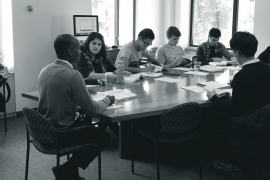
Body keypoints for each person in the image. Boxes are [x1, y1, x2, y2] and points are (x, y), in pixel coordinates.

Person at [37, 34, 115, 180]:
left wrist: (82, 89)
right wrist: (107, 99)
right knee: (103, 137)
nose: (80, 52)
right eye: (78, 49)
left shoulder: (45, 70)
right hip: (60, 134)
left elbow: (59, 91)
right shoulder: (74, 75)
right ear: (70, 52)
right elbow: (93, 110)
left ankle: (70, 172)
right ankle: (68, 169)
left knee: (86, 122)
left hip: (43, 130)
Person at [206, 31, 270, 179]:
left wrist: (213, 97)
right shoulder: (268, 68)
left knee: (212, 114)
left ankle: (223, 159)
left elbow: (234, 110)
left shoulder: (242, 76)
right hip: (265, 123)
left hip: (249, 124)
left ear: (237, 52)